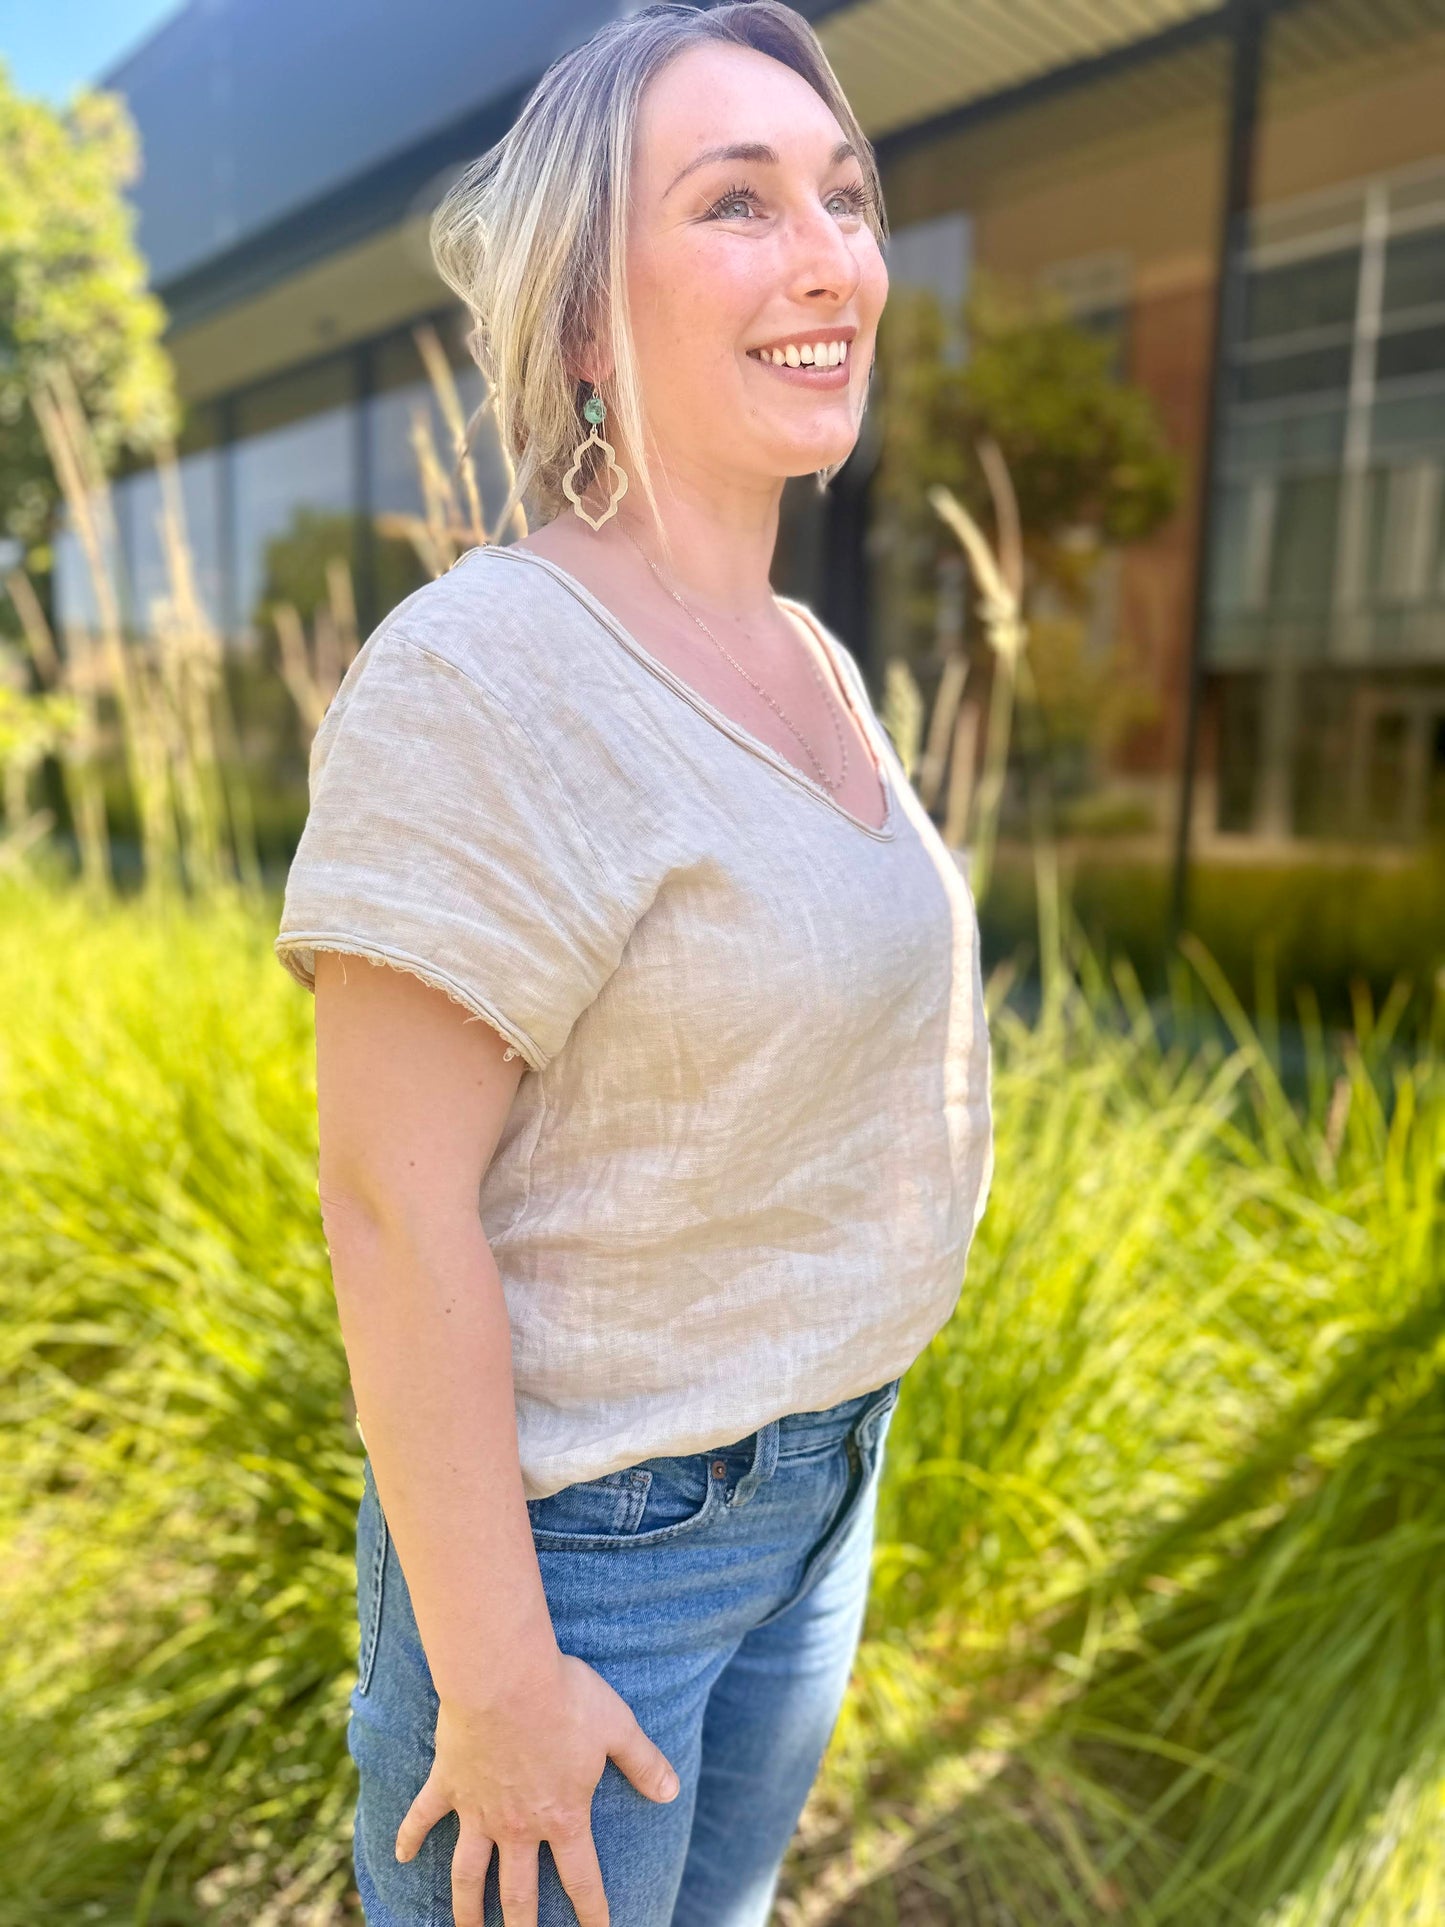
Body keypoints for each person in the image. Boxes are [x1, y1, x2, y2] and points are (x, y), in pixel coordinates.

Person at [273, 4, 994, 1923]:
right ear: (586, 320)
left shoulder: (814, 662)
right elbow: (384, 1197)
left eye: (842, 196)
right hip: (587, 1554)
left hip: (812, 1487)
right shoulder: (484, 669)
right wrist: (497, 1679)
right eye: (737, 202)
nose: (831, 251)